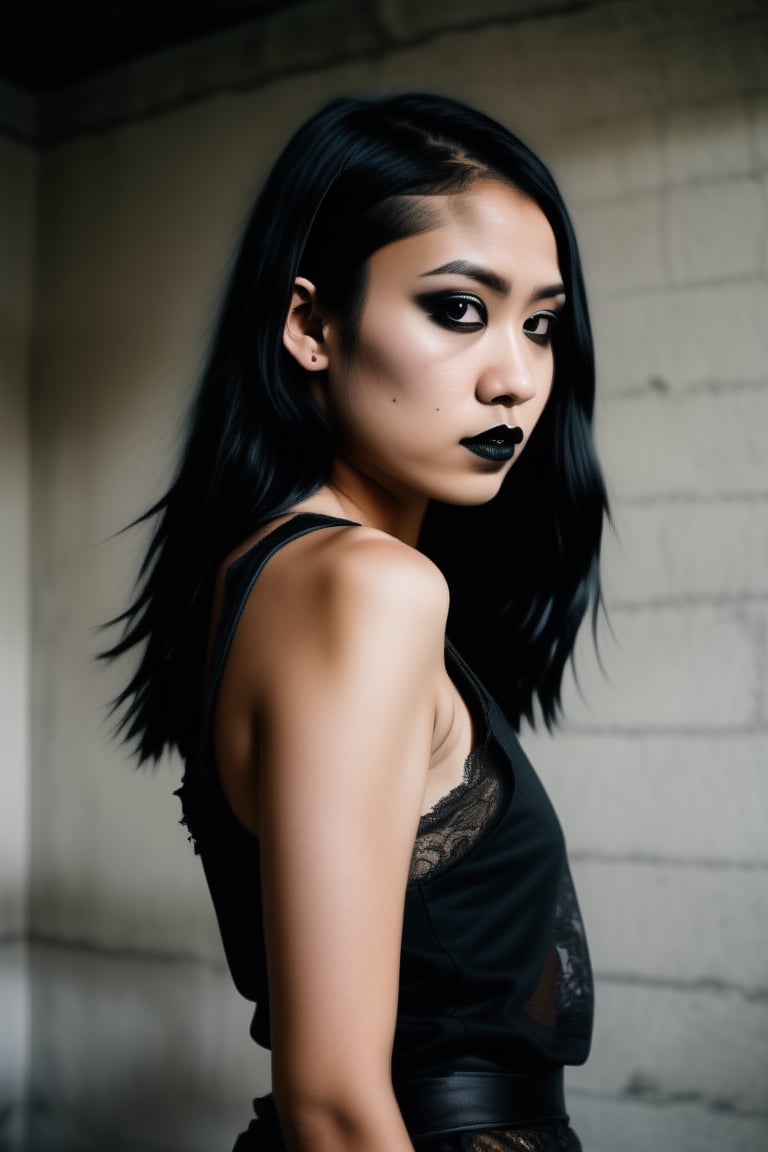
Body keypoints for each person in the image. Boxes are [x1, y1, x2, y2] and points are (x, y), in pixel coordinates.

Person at [106, 93, 609, 1152]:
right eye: (460, 310)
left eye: (542, 323)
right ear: (311, 325)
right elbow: (332, 1099)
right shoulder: (370, 588)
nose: (516, 377)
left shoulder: (267, 573)